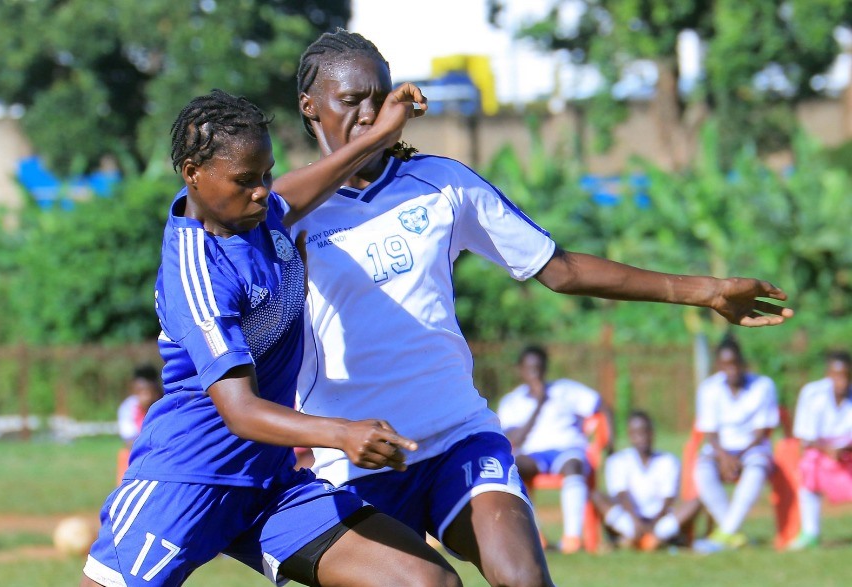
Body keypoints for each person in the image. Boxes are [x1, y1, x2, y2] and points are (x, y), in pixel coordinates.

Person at [289, 28, 793, 587]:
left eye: (377, 98)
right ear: (310, 107)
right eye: (349, 101)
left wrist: (707, 290)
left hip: (457, 433)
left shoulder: (441, 184)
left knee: (525, 579)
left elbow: (561, 268)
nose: (367, 114)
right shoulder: (283, 213)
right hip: (355, 455)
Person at [80, 89, 462, 587]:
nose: (262, 190)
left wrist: (384, 133)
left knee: (426, 582)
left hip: (269, 486)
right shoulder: (199, 274)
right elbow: (239, 411)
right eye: (246, 180)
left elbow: (312, 183)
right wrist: (342, 434)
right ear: (193, 172)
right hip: (188, 479)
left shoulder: (257, 215)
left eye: (266, 174)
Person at [497, 345, 613, 553]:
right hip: (533, 454)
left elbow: (602, 406)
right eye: (530, 369)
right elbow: (515, 438)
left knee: (573, 465)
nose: (535, 374)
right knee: (513, 468)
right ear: (520, 370)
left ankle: (572, 537)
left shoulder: (565, 390)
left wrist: (609, 440)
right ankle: (535, 535)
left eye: (539, 368)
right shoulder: (512, 401)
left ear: (545, 369)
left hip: (567, 449)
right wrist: (540, 403)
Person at [691, 336, 779, 551]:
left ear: (743, 363)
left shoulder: (763, 386)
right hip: (720, 449)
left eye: (735, 364)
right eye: (726, 365)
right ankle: (733, 534)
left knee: (756, 469)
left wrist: (738, 457)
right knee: (701, 471)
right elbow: (709, 431)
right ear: (719, 365)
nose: (731, 370)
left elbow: (761, 432)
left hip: (752, 449)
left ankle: (725, 534)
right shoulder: (708, 388)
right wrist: (723, 456)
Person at [591, 411, 701, 550]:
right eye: (636, 434)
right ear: (630, 436)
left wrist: (654, 524)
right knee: (597, 496)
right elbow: (621, 495)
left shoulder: (668, 461)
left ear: (652, 434)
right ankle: (644, 538)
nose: (641, 438)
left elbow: (669, 499)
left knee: (695, 502)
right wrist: (636, 521)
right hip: (629, 519)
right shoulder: (618, 461)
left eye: (645, 432)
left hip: (660, 519)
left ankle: (645, 539)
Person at [788, 350, 852, 550]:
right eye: (837, 376)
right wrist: (829, 450)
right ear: (828, 375)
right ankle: (810, 533)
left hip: (848, 454)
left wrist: (844, 449)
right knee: (808, 465)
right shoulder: (812, 393)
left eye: (846, 376)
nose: (841, 382)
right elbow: (805, 437)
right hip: (820, 453)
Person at [117, 365, 164, 447]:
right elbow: (130, 441)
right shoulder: (128, 408)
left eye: (149, 391)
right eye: (141, 391)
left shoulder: (165, 404)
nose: (147, 397)